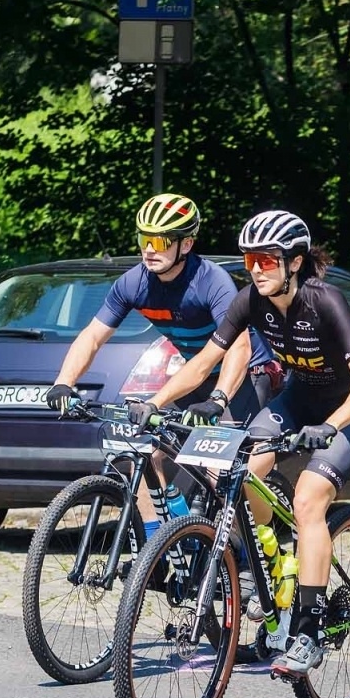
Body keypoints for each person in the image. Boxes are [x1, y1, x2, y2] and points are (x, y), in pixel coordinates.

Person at [151, 209, 350, 679]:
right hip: (300, 396)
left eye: (266, 259)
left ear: (294, 262)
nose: (255, 268)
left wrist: (333, 426)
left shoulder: (325, 301)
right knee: (240, 471)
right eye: (249, 260)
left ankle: (309, 628)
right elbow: (203, 364)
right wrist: (152, 403)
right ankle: (275, 565)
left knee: (309, 497)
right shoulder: (249, 301)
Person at [44, 193, 279, 543]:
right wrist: (64, 382)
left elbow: (239, 348)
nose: (148, 249)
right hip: (194, 376)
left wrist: (218, 400)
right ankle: (160, 547)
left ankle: (245, 556)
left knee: (220, 470)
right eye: (143, 239)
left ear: (186, 244)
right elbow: (92, 337)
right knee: (139, 448)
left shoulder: (211, 281)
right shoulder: (134, 283)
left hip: (243, 376)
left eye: (159, 241)